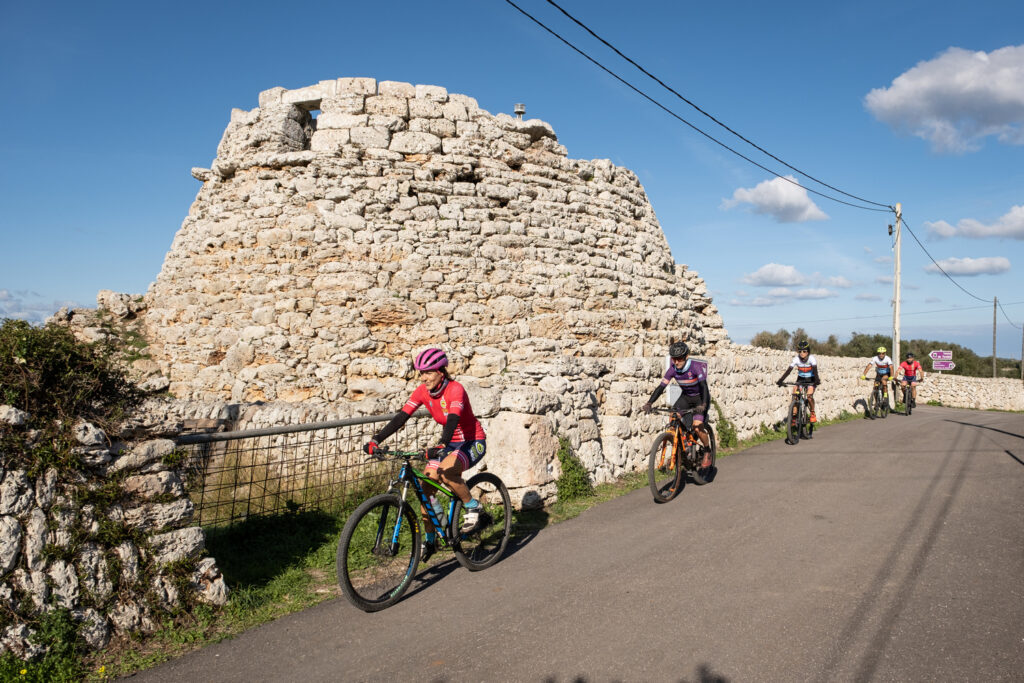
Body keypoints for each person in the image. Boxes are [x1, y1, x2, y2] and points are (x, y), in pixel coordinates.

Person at [363, 348, 489, 561]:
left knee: (447, 473)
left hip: (471, 441)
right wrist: (376, 440)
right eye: (421, 373)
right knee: (426, 490)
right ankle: (432, 539)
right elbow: (401, 418)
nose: (424, 377)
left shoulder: (455, 389)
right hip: (447, 445)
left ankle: (473, 506)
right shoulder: (422, 391)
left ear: (441, 371)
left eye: (428, 372)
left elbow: (453, 419)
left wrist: (441, 444)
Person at [642, 341, 713, 469]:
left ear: (686, 357)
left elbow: (704, 387)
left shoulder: (695, 367)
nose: (676, 362)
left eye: (679, 359)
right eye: (674, 359)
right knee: (673, 418)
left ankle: (707, 450)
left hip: (700, 398)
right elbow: (661, 387)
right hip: (685, 397)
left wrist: (703, 404)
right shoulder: (672, 369)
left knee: (697, 427)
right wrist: (649, 402)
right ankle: (681, 450)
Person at [776, 339, 820, 424]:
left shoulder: (811, 359)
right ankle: (794, 416)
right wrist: (781, 380)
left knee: (809, 396)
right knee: (794, 395)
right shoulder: (796, 359)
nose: (802, 353)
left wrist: (817, 380)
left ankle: (812, 413)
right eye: (800, 351)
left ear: (808, 351)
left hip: (811, 379)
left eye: (804, 351)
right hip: (800, 379)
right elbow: (788, 371)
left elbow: (815, 371)